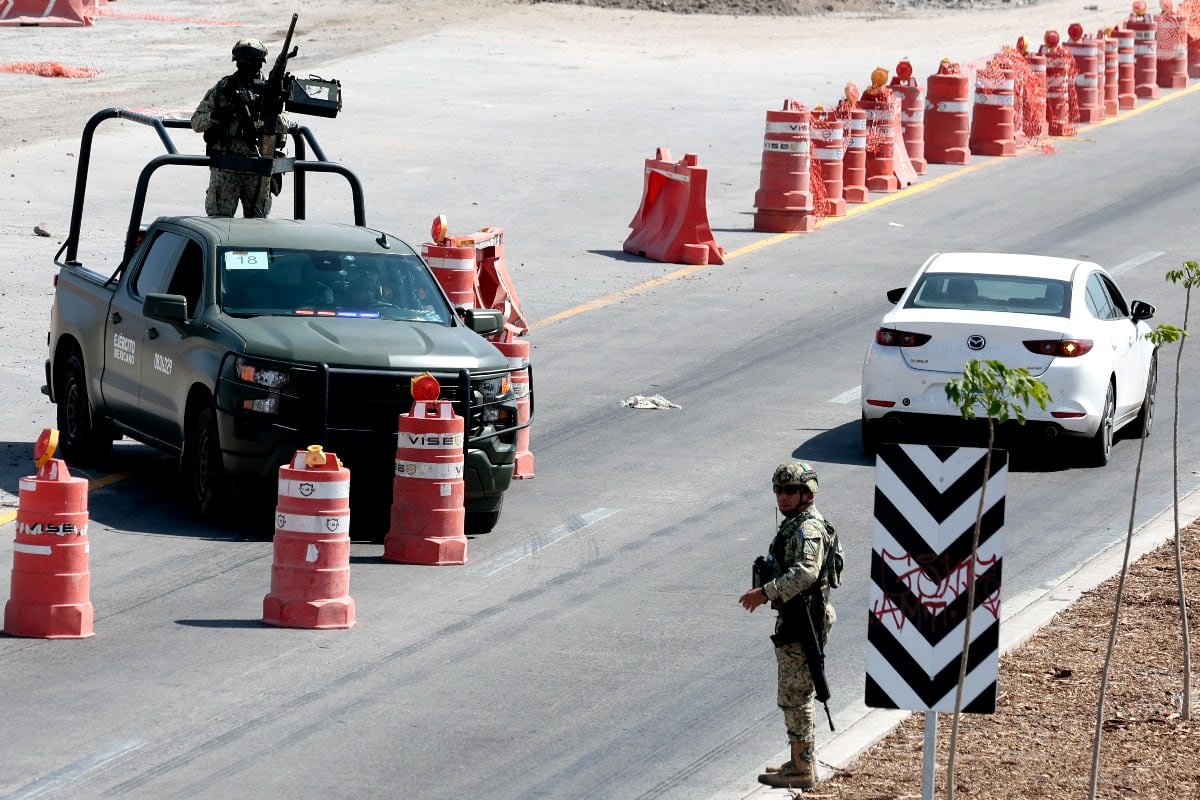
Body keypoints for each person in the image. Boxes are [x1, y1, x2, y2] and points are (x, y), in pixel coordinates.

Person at [739, 461, 841, 790]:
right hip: (797, 615)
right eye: (779, 490)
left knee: (796, 695)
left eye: (790, 490)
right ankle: (799, 759)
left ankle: (802, 768)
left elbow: (806, 573)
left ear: (807, 493)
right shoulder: (796, 524)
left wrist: (765, 592)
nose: (782, 496)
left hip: (805, 618)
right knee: (794, 692)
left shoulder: (808, 529)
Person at [190, 38, 288, 218]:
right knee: (219, 224)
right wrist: (220, 114)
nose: (247, 66)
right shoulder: (223, 89)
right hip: (226, 167)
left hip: (258, 166)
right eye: (242, 62)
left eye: (252, 62)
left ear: (260, 64)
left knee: (258, 225)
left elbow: (284, 125)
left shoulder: (270, 90)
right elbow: (196, 122)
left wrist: (262, 105)